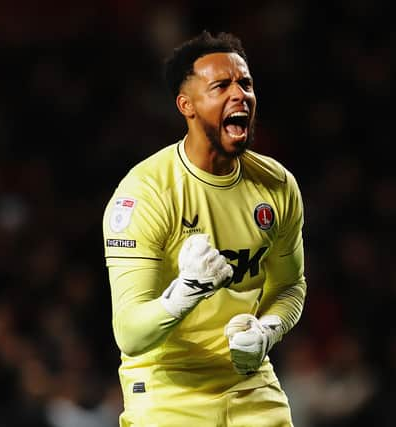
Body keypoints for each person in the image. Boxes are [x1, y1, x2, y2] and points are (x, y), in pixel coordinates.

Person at [102, 30, 307, 427]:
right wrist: (186, 291)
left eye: (245, 84)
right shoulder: (145, 194)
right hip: (167, 388)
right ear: (187, 105)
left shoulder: (278, 186)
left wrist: (267, 331)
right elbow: (129, 333)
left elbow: (290, 286)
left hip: (249, 382)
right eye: (221, 86)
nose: (240, 95)